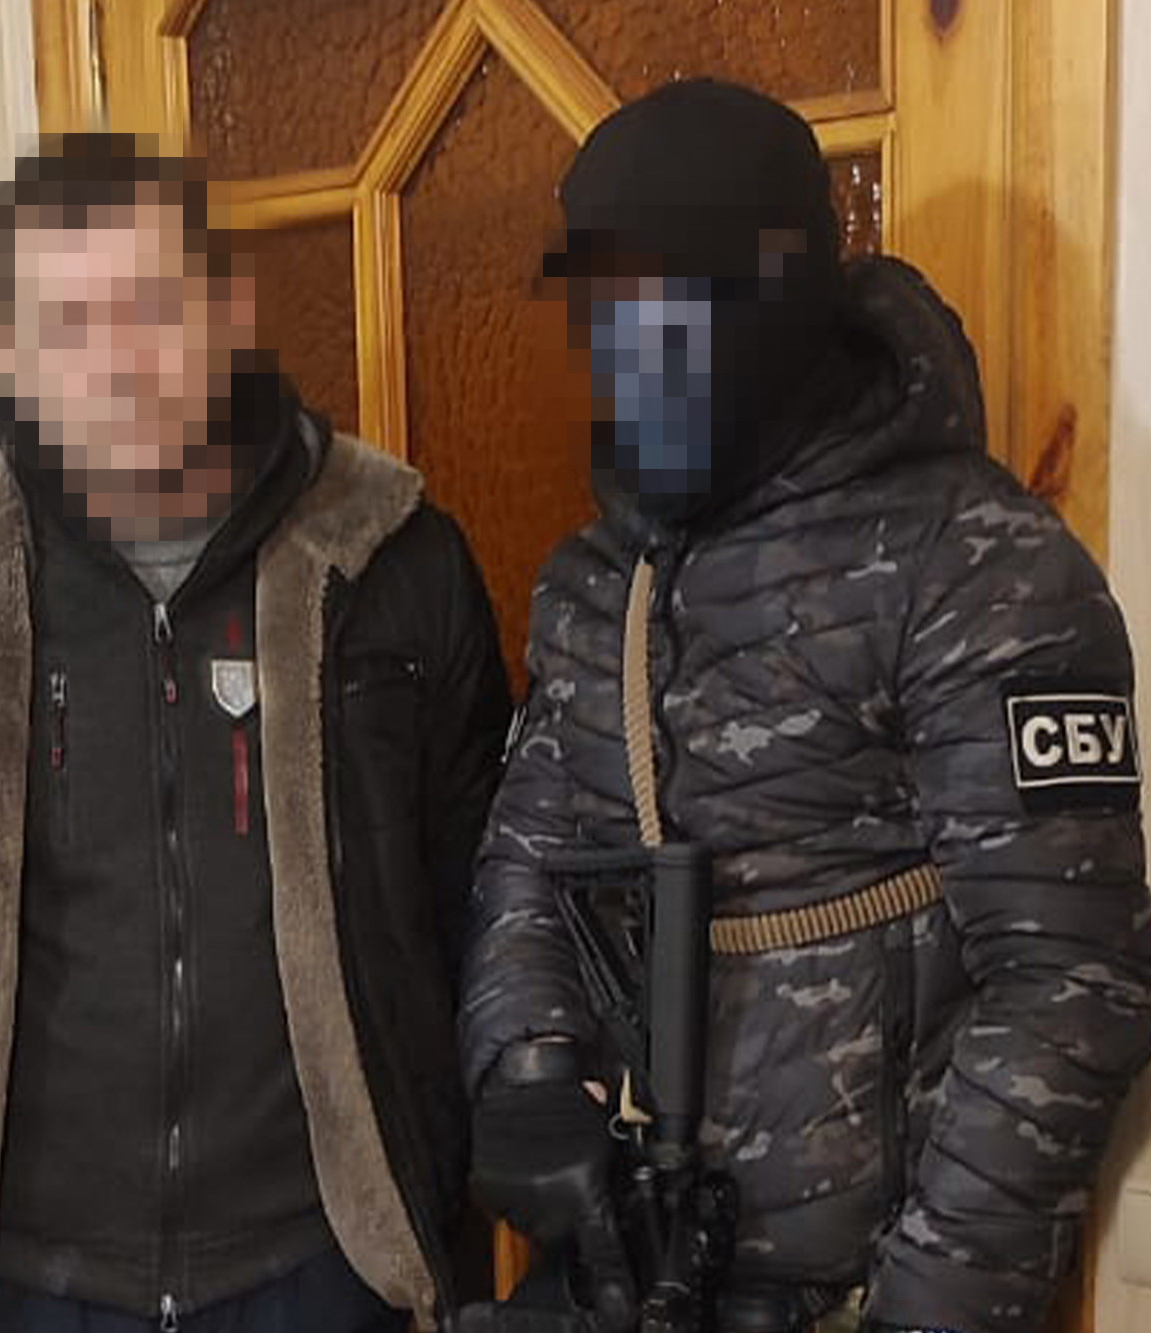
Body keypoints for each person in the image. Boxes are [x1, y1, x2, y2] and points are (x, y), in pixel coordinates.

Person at [460, 79, 1151, 1333]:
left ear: (780, 309)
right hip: (622, 1274)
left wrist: (927, 1308)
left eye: (675, 315)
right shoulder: (596, 584)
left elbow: (1066, 979)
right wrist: (528, 1069)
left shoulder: (974, 566)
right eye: (607, 320)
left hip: (858, 1291)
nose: (633, 364)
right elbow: (529, 854)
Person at [0, 134, 512, 1333]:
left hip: (321, 1264)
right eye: (68, 323)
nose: (117, 363)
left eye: (152, 307)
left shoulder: (386, 549)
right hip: (12, 1281)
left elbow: (478, 894)